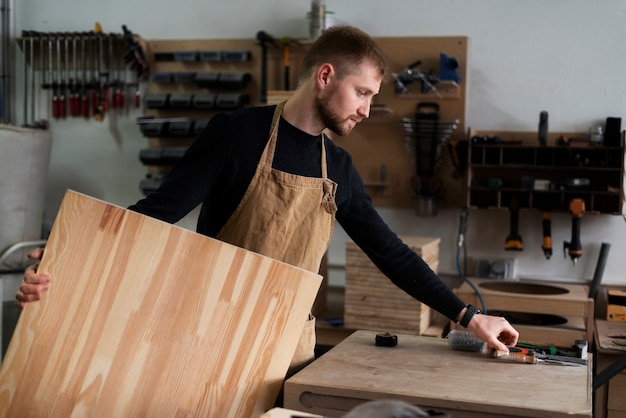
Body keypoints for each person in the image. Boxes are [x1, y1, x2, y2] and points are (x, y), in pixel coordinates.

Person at [17, 26, 518, 369]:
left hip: (287, 348)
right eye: (363, 93)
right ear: (326, 77)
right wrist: (66, 252)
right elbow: (157, 215)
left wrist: (469, 317)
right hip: (207, 337)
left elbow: (389, 253)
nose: (368, 109)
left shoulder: (338, 168)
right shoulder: (235, 134)